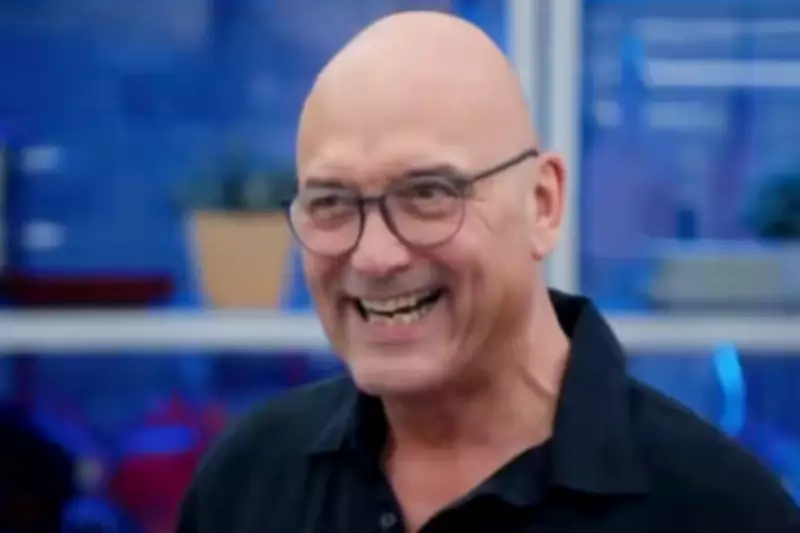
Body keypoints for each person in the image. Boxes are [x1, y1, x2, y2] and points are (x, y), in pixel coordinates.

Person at [177, 11, 800, 533]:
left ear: (543, 205)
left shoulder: (722, 512)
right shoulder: (246, 483)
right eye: (332, 202)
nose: (374, 255)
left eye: (427, 194)